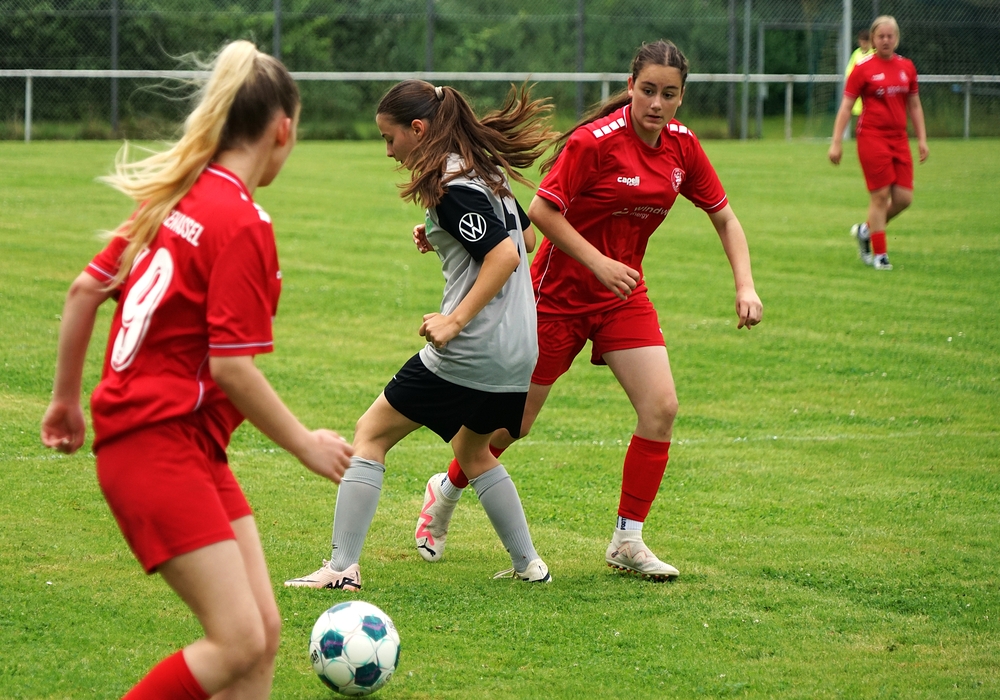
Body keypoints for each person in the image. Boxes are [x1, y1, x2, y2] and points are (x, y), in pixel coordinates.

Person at [40, 41, 354, 700]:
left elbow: (83, 291)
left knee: (261, 635)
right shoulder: (240, 221)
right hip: (155, 444)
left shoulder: (176, 194)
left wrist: (65, 400)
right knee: (237, 640)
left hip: (185, 444)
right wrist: (305, 443)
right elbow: (232, 369)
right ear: (283, 129)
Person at [413, 40, 763, 582]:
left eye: (670, 94)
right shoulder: (594, 142)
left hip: (623, 296)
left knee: (661, 408)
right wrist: (598, 262)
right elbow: (541, 211)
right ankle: (446, 488)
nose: (657, 103)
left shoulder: (683, 147)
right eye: (648, 90)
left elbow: (725, 217)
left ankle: (628, 539)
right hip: (555, 300)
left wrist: (746, 286)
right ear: (630, 86)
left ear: (681, 96)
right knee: (511, 428)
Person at [284, 80, 557, 590]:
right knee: (473, 452)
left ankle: (341, 568)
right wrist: (445, 237)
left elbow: (503, 255)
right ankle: (529, 566)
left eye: (390, 138)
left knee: (371, 433)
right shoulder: (485, 171)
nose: (389, 151)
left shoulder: (450, 186)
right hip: (518, 351)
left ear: (418, 128)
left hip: (472, 348)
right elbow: (525, 236)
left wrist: (454, 321)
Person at [829, 16, 929, 271]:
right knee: (880, 196)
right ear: (873, 39)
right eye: (881, 36)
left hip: (899, 139)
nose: (885, 40)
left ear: (896, 38)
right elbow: (846, 106)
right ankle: (880, 255)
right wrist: (836, 142)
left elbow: (915, 105)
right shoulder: (863, 69)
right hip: (872, 137)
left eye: (890, 36)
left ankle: (866, 230)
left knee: (904, 198)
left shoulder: (907, 67)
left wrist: (922, 139)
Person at [845, 29, 873, 131]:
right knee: (858, 115)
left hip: (870, 90)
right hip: (858, 90)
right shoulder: (856, 54)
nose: (863, 43)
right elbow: (849, 71)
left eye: (866, 41)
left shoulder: (874, 54)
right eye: (862, 41)